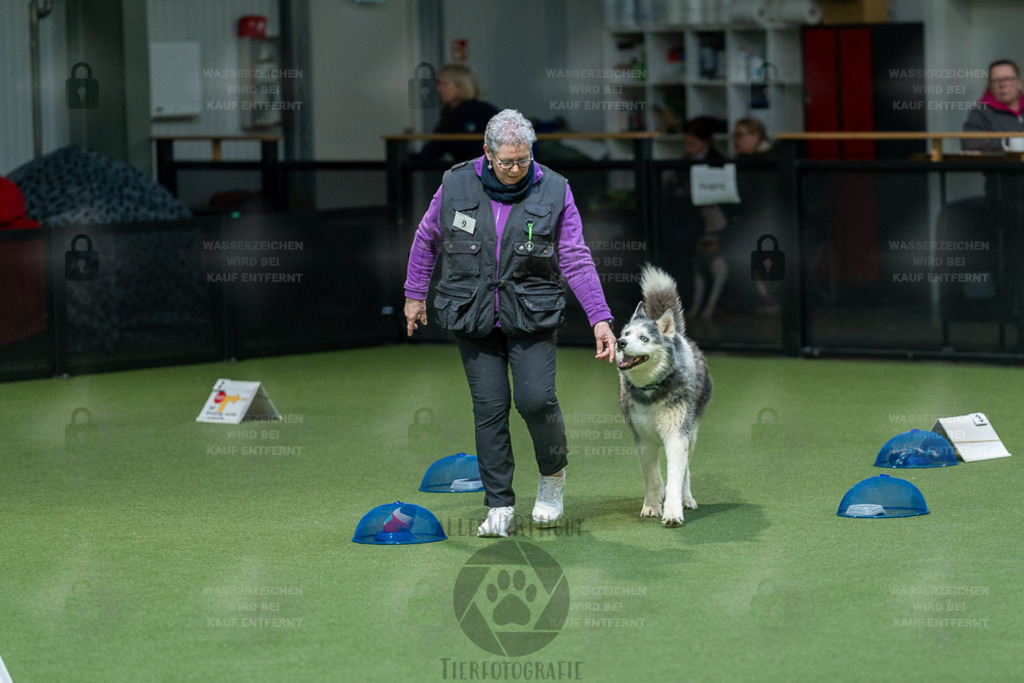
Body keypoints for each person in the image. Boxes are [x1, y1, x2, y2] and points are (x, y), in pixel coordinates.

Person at [404, 109, 617, 538]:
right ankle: (499, 504)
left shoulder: (555, 189)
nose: (517, 169)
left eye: (524, 159)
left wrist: (600, 318)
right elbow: (427, 238)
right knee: (490, 409)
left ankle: (552, 477)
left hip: (531, 314)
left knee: (536, 401)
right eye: (507, 161)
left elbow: (574, 256)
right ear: (487, 152)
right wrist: (414, 293)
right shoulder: (455, 183)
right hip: (473, 312)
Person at [414, 64, 500, 162]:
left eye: (445, 84)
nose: (439, 89)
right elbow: (436, 147)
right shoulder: (449, 114)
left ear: (462, 85)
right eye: (438, 84)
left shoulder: (483, 112)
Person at [962, 59, 1024, 153]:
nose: (1002, 84)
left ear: (1019, 83)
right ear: (990, 86)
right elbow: (970, 142)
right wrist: (1007, 142)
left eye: (1007, 79)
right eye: (996, 81)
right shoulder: (981, 112)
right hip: (1002, 166)